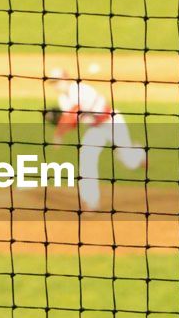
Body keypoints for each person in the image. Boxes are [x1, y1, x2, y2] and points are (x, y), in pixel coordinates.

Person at [47, 68, 146, 211]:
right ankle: (90, 201)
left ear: (66, 79)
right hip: (95, 129)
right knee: (86, 157)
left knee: (129, 161)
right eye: (53, 83)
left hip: (111, 122)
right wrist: (62, 123)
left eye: (57, 81)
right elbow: (74, 122)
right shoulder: (62, 99)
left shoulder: (79, 89)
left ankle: (140, 155)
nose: (55, 85)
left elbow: (74, 112)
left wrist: (59, 133)